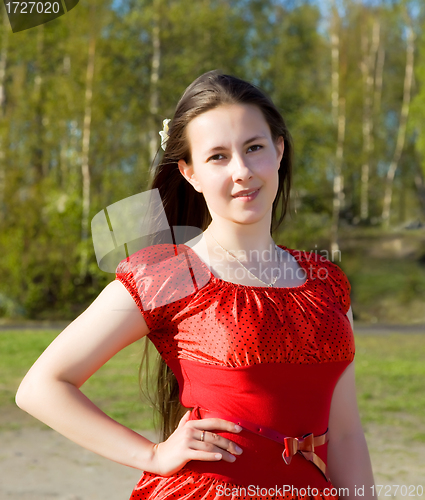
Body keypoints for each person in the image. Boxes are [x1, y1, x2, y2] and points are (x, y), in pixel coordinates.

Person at [16, 70, 375, 500]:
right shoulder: (166, 275)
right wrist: (151, 455)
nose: (242, 171)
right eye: (218, 157)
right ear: (190, 173)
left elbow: (347, 435)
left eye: (254, 148)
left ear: (279, 150)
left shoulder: (328, 284)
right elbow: (41, 387)